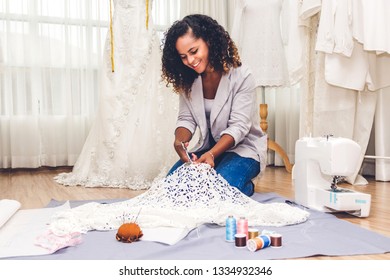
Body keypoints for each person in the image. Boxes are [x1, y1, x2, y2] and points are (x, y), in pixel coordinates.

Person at [54, 0, 178, 189]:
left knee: (145, 96)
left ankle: (138, 162)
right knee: (113, 96)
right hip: (118, 41)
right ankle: (112, 159)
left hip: (142, 39)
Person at [161, 14, 266, 196]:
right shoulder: (188, 80)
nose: (190, 61)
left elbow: (239, 127)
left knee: (216, 191)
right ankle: (229, 181)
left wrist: (212, 155)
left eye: (194, 51)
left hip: (243, 149)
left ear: (209, 41)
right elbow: (186, 119)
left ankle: (245, 186)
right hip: (208, 150)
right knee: (170, 190)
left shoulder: (242, 76)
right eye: (183, 57)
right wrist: (180, 141)